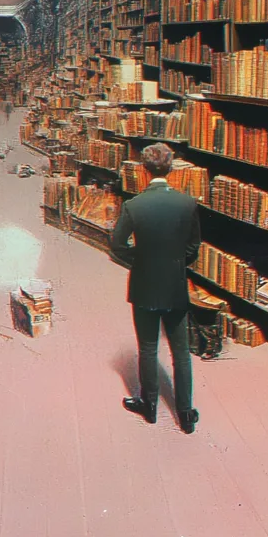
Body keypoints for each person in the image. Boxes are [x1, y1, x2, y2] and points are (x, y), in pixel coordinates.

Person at [111, 142, 201, 434]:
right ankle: (186, 415)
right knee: (181, 352)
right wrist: (175, 263)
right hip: (174, 285)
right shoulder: (186, 203)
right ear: (170, 167)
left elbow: (116, 246)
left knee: (148, 349)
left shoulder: (133, 206)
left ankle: (149, 408)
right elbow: (193, 247)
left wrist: (140, 262)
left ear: (145, 169)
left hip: (145, 285)